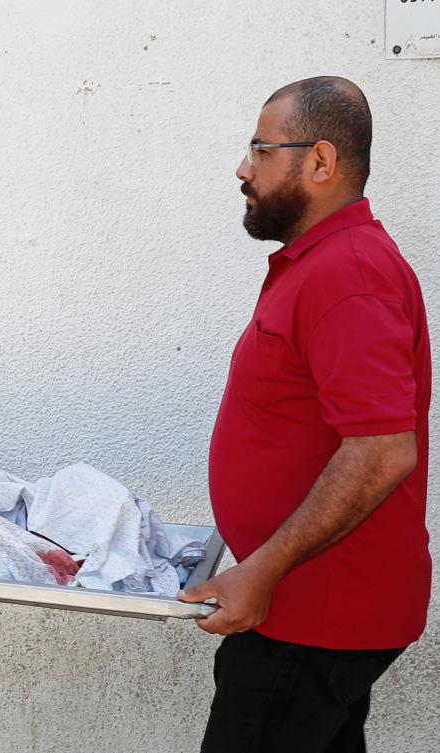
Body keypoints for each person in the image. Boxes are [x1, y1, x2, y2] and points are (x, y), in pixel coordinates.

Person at [178, 77, 430, 753]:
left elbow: (381, 448)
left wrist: (260, 571)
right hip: (303, 611)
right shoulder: (321, 264)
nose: (242, 167)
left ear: (320, 162)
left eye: (259, 150)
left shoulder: (347, 271)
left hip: (310, 616)